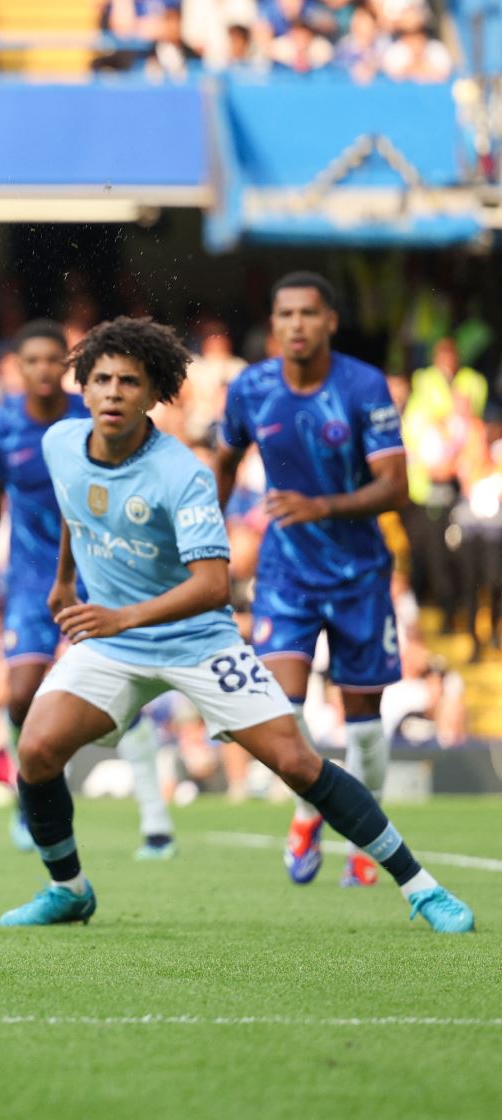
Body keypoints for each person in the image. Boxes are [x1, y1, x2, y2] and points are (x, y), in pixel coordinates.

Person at [1, 317, 470, 933]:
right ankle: (69, 890)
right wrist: (65, 579)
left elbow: (212, 586)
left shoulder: (182, 474)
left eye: (129, 383)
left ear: (154, 395)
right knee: (35, 750)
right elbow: (73, 503)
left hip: (197, 640)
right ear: (82, 390)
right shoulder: (60, 442)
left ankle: (421, 887)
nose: (114, 392)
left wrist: (121, 615)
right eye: (102, 380)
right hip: (116, 640)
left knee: (297, 763)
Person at [215, 272, 410, 888]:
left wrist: (321, 506)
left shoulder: (362, 385)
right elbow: (224, 458)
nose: (296, 324)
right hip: (285, 574)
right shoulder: (251, 388)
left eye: (308, 313)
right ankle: (308, 813)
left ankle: (366, 834)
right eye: (285, 314)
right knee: (281, 709)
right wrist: (208, 540)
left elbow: (396, 486)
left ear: (329, 320)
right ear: (273, 324)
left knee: (365, 724)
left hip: (359, 574)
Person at [0, 321, 175, 861]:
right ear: (16, 367)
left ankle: (156, 823)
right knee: (20, 694)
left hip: (97, 574)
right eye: (31, 360)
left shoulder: (84, 419)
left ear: (66, 368)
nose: (42, 369)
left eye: (51, 361)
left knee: (123, 693)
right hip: (28, 577)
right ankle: (28, 800)